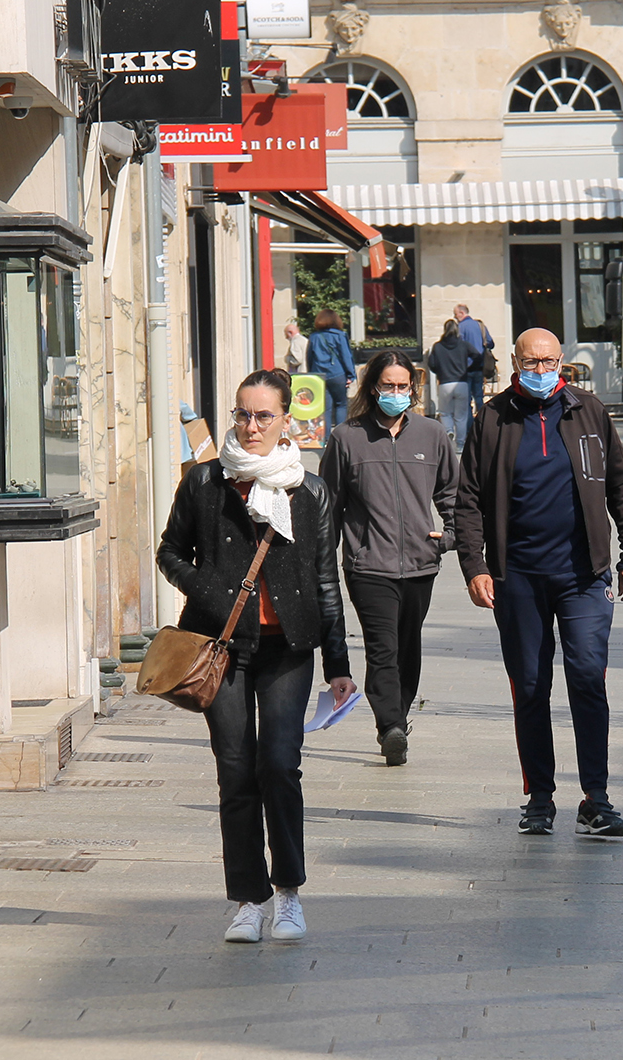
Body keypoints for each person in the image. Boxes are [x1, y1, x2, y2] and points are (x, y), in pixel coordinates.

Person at [157, 369, 353, 945]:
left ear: (287, 419)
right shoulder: (205, 484)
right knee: (236, 770)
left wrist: (339, 665)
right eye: (242, 414)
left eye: (263, 415)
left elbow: (325, 581)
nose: (250, 425)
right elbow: (170, 551)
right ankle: (248, 898)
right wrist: (215, 595)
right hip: (221, 648)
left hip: (288, 648)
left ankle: (289, 892)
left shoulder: (309, 490)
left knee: (279, 765)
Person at [455, 328, 623, 839]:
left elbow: (621, 486)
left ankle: (596, 798)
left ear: (563, 363)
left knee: (587, 677)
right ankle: (539, 798)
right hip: (517, 577)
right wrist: (474, 565)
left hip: (584, 575)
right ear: (514, 363)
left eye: (549, 362)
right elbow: (467, 498)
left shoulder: (588, 411)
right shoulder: (492, 418)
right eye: (530, 362)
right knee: (532, 687)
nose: (541, 371)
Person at [320, 350, 458, 767]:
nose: (396, 393)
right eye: (388, 386)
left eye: (403, 386)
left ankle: (397, 715)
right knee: (383, 646)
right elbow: (328, 504)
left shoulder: (432, 435)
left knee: (408, 647)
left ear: (413, 389)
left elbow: (454, 493)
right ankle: (390, 726)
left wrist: (447, 537)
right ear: (373, 387)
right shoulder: (347, 438)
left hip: (421, 562)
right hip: (368, 565)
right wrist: (326, 558)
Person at [306, 310, 356, 437]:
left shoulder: (314, 337)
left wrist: (312, 374)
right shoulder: (340, 335)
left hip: (319, 376)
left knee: (325, 409)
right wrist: (350, 374)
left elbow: (309, 357)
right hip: (337, 374)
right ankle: (341, 436)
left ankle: (326, 439)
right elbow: (346, 356)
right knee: (341, 405)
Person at [427, 320, 474, 452]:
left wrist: (440, 371)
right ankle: (460, 444)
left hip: (445, 383)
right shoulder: (464, 345)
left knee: (445, 412)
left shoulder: (438, 346)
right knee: (461, 416)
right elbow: (477, 355)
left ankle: (448, 431)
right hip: (461, 382)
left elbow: (431, 363)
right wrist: (468, 368)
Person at [454, 303, 496, 414]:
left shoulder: (460, 327)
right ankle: (482, 420)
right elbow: (491, 343)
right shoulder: (480, 326)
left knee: (466, 399)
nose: (455, 317)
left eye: (456, 314)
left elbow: (458, 347)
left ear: (462, 313)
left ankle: (469, 425)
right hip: (480, 366)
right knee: (479, 396)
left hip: (466, 368)